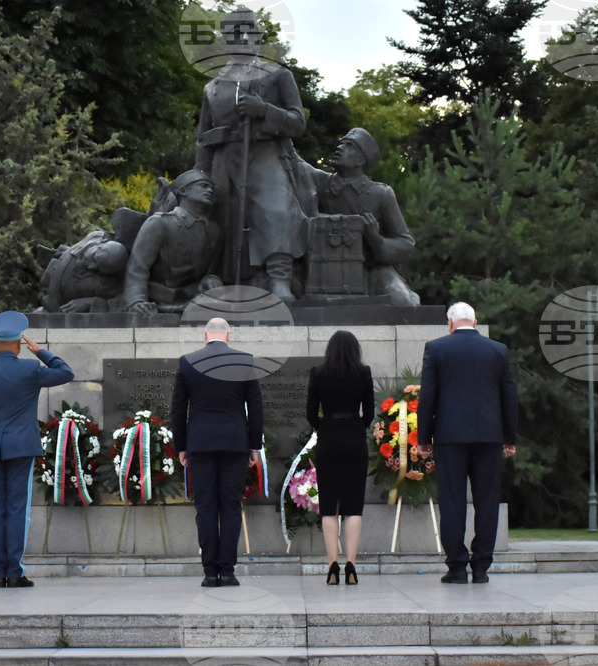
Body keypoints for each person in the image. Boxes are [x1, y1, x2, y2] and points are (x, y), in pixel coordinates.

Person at [195, 8, 307, 299]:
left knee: (275, 209)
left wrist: (264, 110)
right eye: (235, 32)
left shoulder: (278, 74)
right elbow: (202, 138)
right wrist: (199, 176)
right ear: (225, 39)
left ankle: (279, 277)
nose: (244, 37)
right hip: (224, 160)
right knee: (222, 220)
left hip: (265, 153)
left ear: (258, 36)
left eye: (249, 31)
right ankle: (221, 279)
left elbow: (298, 122)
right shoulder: (212, 87)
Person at [0, 311, 75, 588]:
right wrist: (40, 352)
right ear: (18, 345)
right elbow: (66, 373)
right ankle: (15, 572)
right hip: (21, 449)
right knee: (16, 510)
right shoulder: (30, 369)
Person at [417, 302, 517, 584]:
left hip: (450, 437)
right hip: (489, 436)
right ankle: (482, 567)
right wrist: (509, 438)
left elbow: (428, 396)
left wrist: (424, 438)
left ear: (450, 323)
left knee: (452, 502)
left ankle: (458, 567)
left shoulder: (436, 348)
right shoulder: (497, 350)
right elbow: (508, 395)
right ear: (475, 321)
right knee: (487, 501)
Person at [171, 318, 263, 587]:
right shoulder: (244, 361)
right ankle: (227, 570)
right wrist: (254, 445)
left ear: (205, 335)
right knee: (231, 506)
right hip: (235, 443)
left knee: (206, 507)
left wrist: (182, 446)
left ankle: (210, 572)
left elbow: (178, 409)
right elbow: (255, 406)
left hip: (200, 443)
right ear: (228, 336)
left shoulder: (188, 362)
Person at [296, 128, 421, 307]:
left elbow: (406, 243)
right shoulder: (321, 182)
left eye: (349, 145)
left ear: (361, 160)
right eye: (341, 143)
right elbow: (294, 161)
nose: (339, 147)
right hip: (326, 269)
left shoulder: (381, 193)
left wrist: (376, 240)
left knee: (403, 302)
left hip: (371, 270)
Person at [306, 330, 374, 585]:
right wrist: (357, 427)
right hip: (355, 439)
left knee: (329, 507)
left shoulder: (318, 373)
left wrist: (322, 428)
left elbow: (311, 412)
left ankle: (332, 563)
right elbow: (369, 411)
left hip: (328, 439)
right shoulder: (363, 372)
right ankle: (351, 565)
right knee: (353, 507)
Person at [123, 170, 224, 315]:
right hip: (156, 298)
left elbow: (208, 272)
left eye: (211, 189)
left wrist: (210, 279)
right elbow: (138, 267)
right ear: (183, 190)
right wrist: (136, 301)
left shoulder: (214, 232)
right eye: (203, 185)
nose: (209, 190)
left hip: (189, 298)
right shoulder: (159, 223)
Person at [39, 230, 129, 313]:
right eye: (95, 258)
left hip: (59, 312)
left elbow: (120, 304)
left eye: (99, 269)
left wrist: (91, 302)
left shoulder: (107, 285)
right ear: (101, 242)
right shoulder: (96, 236)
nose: (91, 266)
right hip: (48, 301)